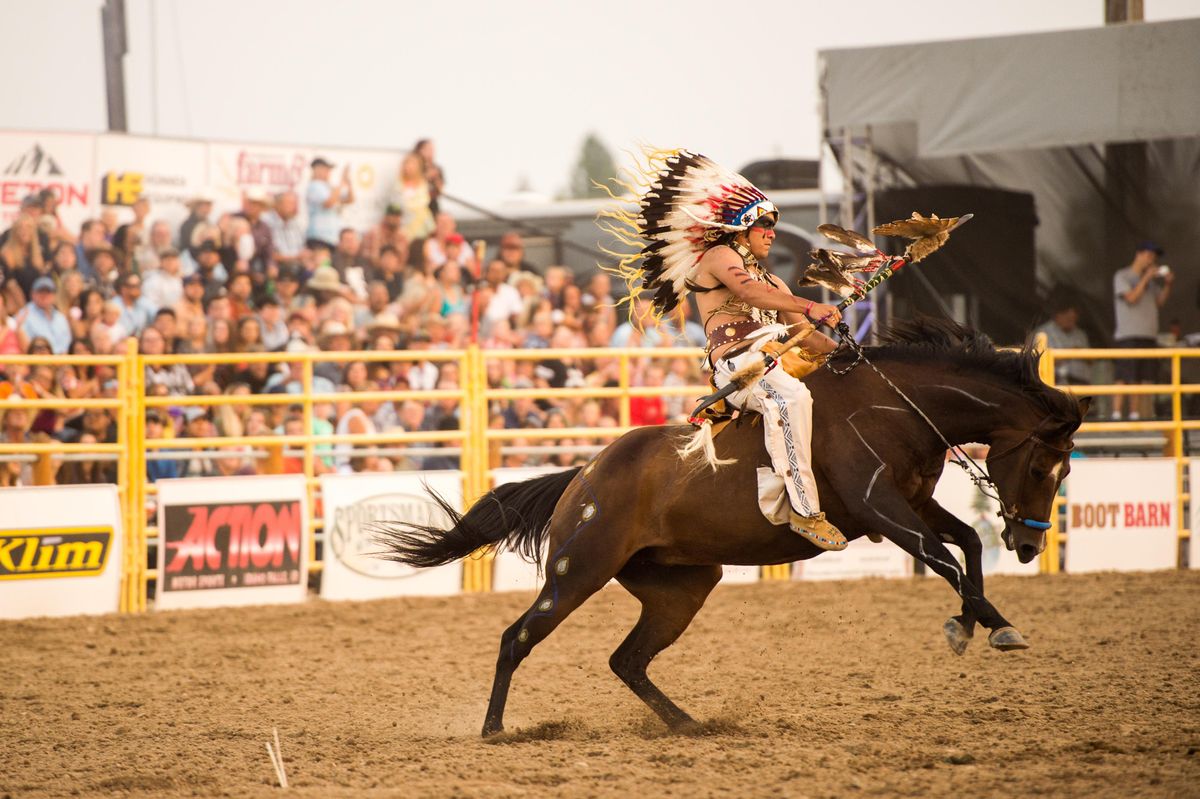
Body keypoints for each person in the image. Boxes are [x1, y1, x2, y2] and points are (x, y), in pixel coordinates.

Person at [604, 149, 844, 550]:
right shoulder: (718, 257)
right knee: (791, 397)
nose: (772, 233)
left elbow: (809, 338)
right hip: (740, 365)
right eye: (764, 224)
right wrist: (810, 305)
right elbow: (749, 292)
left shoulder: (774, 284)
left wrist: (849, 351)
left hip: (774, 361)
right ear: (741, 228)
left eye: (773, 226)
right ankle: (805, 512)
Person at [1112, 240, 1174, 420]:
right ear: (1138, 254)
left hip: (1148, 334)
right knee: (1123, 375)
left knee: (1140, 377)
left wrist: (1168, 284)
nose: (1151, 260)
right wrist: (1145, 278)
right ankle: (1116, 413)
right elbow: (1131, 298)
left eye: (1153, 257)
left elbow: (1159, 302)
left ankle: (1135, 413)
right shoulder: (1122, 276)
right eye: (1148, 255)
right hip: (1128, 334)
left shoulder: (1152, 283)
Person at [1034, 297, 1091, 385]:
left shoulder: (1080, 334)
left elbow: (1091, 360)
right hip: (1055, 383)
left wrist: (1081, 354)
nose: (1070, 321)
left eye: (1073, 318)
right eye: (1067, 318)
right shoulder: (1043, 333)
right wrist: (1072, 352)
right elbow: (1039, 362)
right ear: (1057, 315)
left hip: (1081, 383)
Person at [306, 157, 354, 249]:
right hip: (319, 238)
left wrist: (348, 182)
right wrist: (342, 182)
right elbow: (328, 203)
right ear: (317, 170)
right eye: (326, 169)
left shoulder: (329, 187)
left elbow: (350, 200)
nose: (329, 172)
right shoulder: (314, 186)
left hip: (332, 238)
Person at [19, 276, 72, 354]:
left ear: (54, 295)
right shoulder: (24, 314)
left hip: (61, 359)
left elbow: (66, 345)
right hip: (36, 359)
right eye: (40, 291)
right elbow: (26, 347)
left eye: (48, 292)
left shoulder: (60, 317)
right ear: (32, 294)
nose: (44, 295)